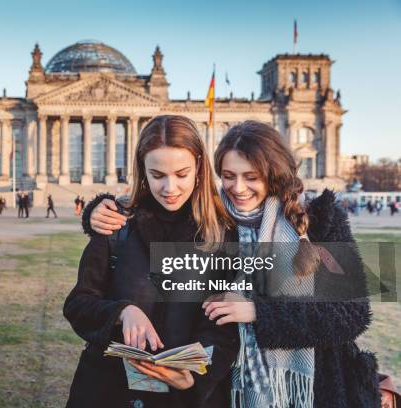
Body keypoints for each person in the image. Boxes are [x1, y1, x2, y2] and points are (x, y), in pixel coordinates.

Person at [84, 120, 379, 408]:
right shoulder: (212, 215)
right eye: (228, 175)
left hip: (313, 382)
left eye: (251, 177)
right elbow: (153, 212)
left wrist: (258, 312)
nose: (238, 188)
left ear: (274, 173)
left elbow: (351, 314)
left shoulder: (320, 219)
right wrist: (97, 211)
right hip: (229, 383)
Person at [64, 115, 239, 408]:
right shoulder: (117, 222)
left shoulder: (222, 231)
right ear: (142, 171)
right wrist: (121, 311)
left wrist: (197, 374)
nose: (170, 188)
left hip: (185, 398)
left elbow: (224, 324)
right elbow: (78, 303)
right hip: (108, 392)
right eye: (157, 175)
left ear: (199, 167)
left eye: (181, 174)